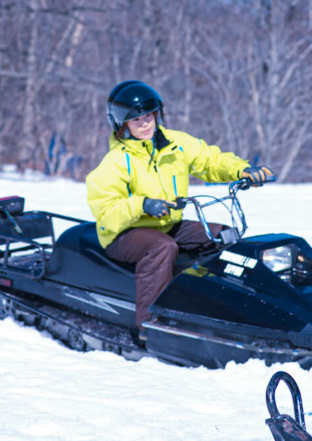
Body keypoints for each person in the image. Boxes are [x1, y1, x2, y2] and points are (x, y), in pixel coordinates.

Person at [85, 80, 274, 338]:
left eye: (148, 116)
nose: (144, 124)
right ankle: (151, 327)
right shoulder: (117, 161)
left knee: (222, 236)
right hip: (125, 233)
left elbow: (210, 159)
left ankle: (220, 307)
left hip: (168, 224)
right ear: (122, 124)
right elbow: (106, 211)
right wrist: (143, 205)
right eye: (136, 119)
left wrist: (241, 170)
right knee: (162, 247)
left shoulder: (176, 144)